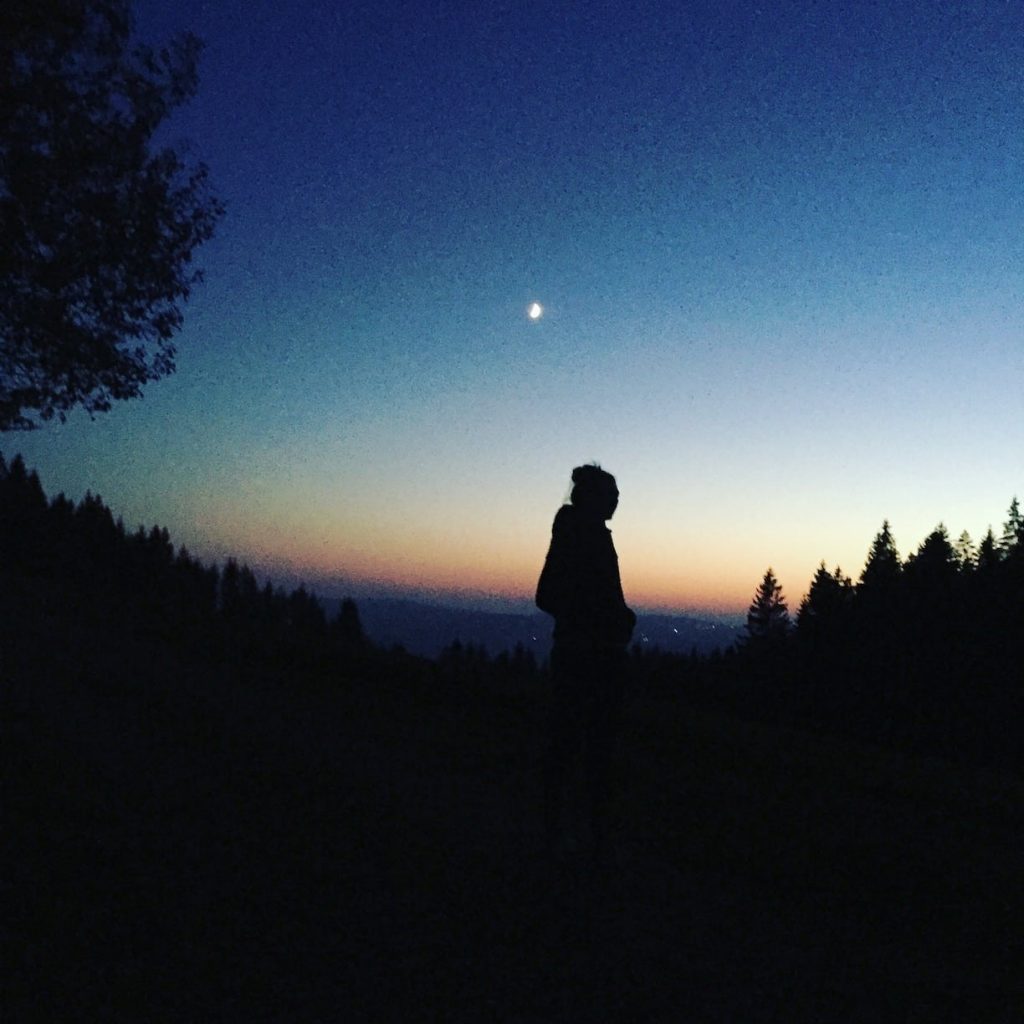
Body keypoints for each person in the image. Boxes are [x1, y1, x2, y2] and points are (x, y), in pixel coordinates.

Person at [535, 464, 636, 861]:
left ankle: (585, 834)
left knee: (590, 750)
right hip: (583, 660)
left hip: (596, 658)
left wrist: (619, 616)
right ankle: (568, 836)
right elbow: (548, 595)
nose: (616, 502)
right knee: (576, 748)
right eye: (611, 495)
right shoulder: (579, 535)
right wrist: (602, 619)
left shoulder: (590, 534)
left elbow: (601, 597)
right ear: (594, 497)